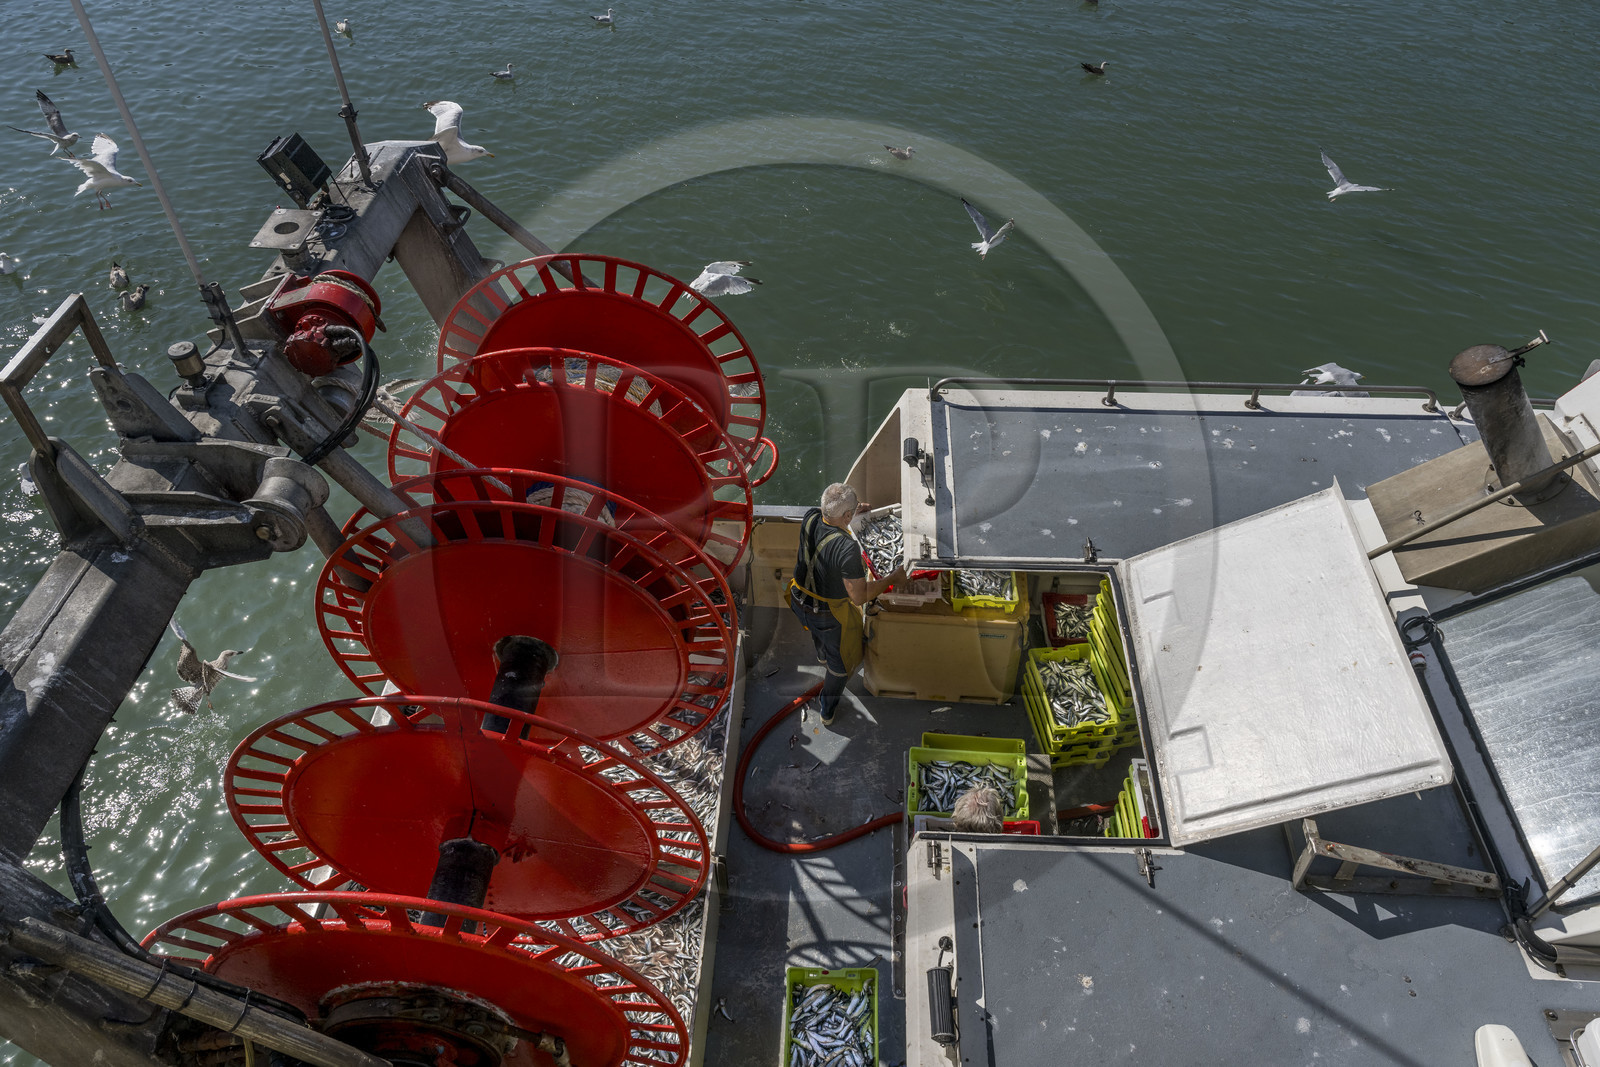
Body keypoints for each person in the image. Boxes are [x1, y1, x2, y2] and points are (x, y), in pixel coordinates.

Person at [789, 482, 905, 724]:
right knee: (840, 667)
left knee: (817, 635)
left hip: (797, 599)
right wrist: (893, 578)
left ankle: (822, 655)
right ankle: (827, 709)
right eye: (851, 512)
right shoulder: (846, 547)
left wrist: (853, 509)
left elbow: (832, 514)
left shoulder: (811, 517)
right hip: (826, 616)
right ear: (847, 516)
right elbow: (859, 597)